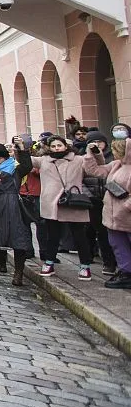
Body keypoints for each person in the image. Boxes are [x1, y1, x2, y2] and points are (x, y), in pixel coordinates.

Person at [17, 135, 93, 280]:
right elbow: (27, 162)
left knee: (79, 236)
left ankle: (85, 266)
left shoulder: (78, 159)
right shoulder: (44, 160)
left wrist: (94, 152)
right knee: (52, 236)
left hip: (72, 201)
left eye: (59, 145)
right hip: (52, 203)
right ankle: (49, 263)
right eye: (53, 146)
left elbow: (93, 166)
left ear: (66, 146)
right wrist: (21, 148)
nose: (56, 148)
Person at [82, 123, 131, 289]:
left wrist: (125, 206)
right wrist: (91, 153)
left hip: (126, 216)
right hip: (113, 217)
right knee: (118, 245)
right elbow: (95, 171)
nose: (115, 153)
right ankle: (126, 272)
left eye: (118, 151)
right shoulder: (116, 165)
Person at [0, 144, 33, 286]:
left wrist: (21, 149)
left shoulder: (15, 169)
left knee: (18, 238)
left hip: (13, 204)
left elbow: (27, 166)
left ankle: (18, 273)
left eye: (0, 158)